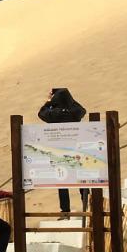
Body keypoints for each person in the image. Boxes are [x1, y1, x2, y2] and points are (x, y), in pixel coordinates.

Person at [38, 87, 89, 217]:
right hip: (76, 150)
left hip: (59, 151)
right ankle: (87, 205)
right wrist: (69, 100)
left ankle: (65, 211)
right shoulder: (74, 112)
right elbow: (82, 110)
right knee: (81, 179)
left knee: (62, 180)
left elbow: (41, 113)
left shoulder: (53, 113)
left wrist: (49, 101)